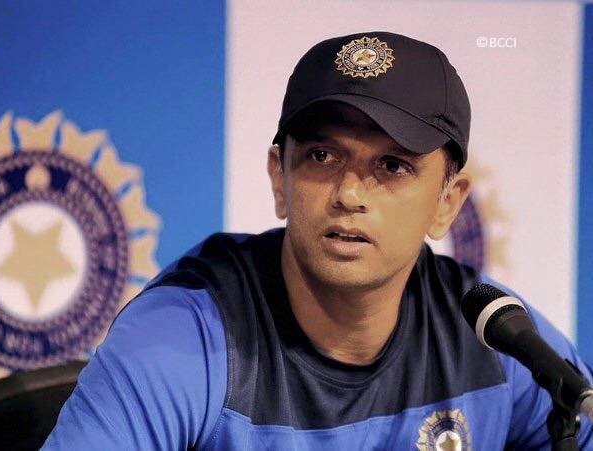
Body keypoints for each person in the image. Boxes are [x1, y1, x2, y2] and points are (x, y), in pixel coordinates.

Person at [42, 31, 593, 450]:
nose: (349, 193)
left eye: (393, 165)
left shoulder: (494, 339)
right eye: (322, 156)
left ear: (447, 202)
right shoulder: (183, 337)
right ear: (279, 179)